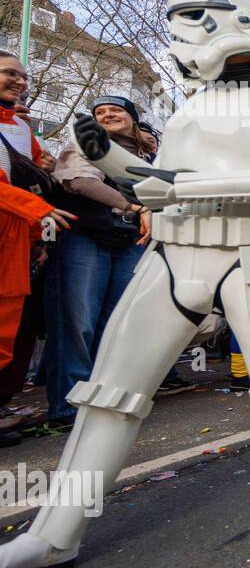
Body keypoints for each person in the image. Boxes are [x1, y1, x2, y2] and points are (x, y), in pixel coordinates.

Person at [0, 0, 250, 568]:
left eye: (194, 20)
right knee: (109, 393)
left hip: (247, 254)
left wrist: (179, 190)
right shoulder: (190, 110)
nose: (183, 37)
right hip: (172, 255)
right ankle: (52, 535)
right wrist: (106, 157)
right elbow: (153, 177)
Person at [40, 96, 153, 435]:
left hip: (130, 241)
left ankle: (103, 398)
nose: (107, 115)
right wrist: (134, 207)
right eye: (100, 112)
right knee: (78, 321)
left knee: (116, 325)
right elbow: (78, 182)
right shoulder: (86, 141)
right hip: (85, 238)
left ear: (132, 118)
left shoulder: (146, 155)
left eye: (116, 110)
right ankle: (68, 405)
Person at [0, 52, 71, 446]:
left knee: (10, 330)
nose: (20, 81)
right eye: (10, 74)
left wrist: (36, 239)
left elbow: (36, 174)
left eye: (23, 76)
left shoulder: (19, 129)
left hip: (17, 241)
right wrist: (41, 210)